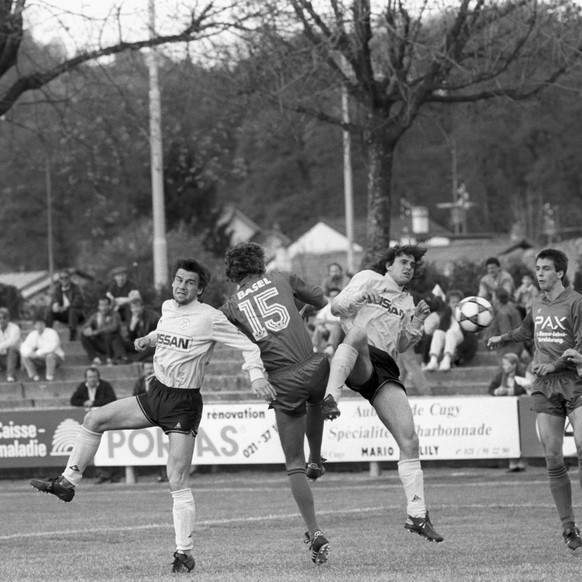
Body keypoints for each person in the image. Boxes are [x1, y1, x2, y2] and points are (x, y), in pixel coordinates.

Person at [30, 257, 274, 574]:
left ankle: (184, 554)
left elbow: (248, 346)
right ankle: (67, 482)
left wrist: (256, 376)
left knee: (176, 480)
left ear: (200, 289)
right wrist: (150, 338)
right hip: (155, 393)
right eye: (178, 279)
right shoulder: (168, 307)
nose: (181, 286)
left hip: (183, 403)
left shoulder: (210, 318)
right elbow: (165, 330)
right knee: (94, 419)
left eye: (189, 282)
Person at [320, 244, 443, 543]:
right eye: (403, 262)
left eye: (413, 264)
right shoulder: (368, 279)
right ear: (388, 265)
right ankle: (330, 398)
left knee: (410, 441)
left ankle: (417, 514)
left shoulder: (407, 300)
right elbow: (337, 307)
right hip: (360, 356)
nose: (409, 267)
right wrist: (362, 297)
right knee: (359, 333)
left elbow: (401, 344)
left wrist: (417, 322)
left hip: (386, 369)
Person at [220, 242, 330, 565]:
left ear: (232, 274)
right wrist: (298, 309)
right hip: (315, 366)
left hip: (283, 380)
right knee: (314, 401)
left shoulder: (230, 307)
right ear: (261, 264)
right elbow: (322, 299)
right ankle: (318, 458)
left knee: (292, 462)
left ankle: (314, 531)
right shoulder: (281, 278)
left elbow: (240, 337)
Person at [487, 248, 582, 553]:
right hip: (545, 386)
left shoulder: (577, 303)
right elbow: (528, 329)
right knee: (552, 455)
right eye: (538, 268)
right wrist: (504, 338)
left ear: (560, 273)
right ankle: (568, 526)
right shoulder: (537, 302)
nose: (539, 273)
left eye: (545, 269)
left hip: (575, 383)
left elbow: (579, 351)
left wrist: (556, 365)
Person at [70, 367, 119, 484]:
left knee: (106, 446)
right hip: (90, 423)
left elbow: (112, 399)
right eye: (90, 377)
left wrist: (94, 403)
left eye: (94, 377)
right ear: (86, 378)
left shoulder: (105, 386)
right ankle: (102, 474)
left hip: (105, 420)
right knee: (93, 446)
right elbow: (73, 400)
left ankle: (111, 474)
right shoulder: (83, 387)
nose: (92, 379)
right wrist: (84, 402)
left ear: (98, 377)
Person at [487, 352, 531, 472]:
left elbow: (527, 389)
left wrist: (513, 391)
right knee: (510, 433)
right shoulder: (500, 377)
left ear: (514, 365)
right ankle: (512, 461)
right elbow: (490, 389)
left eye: (506, 364)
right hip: (506, 411)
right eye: (503, 364)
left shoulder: (522, 376)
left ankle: (522, 460)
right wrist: (497, 391)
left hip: (520, 408)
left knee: (522, 433)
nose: (504, 367)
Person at [422, 291, 466, 372]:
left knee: (450, 332)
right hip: (448, 338)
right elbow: (440, 329)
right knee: (438, 332)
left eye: (457, 302)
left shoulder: (465, 313)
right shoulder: (446, 314)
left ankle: (446, 360)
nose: (455, 304)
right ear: (448, 304)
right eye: (453, 302)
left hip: (459, 336)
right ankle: (433, 360)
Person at [80, 296, 127, 366]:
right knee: (84, 336)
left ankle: (109, 358)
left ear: (109, 305)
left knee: (110, 334)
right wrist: (86, 330)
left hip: (111, 343)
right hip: (99, 343)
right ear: (98, 307)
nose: (104, 307)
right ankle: (95, 359)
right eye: (101, 305)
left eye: (106, 305)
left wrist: (97, 331)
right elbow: (85, 326)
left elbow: (114, 327)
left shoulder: (115, 314)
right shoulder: (95, 315)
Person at [20, 317, 64, 382]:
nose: (39, 326)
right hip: (40, 359)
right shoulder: (33, 334)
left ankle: (49, 377)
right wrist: (30, 353)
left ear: (44, 325)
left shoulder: (52, 332)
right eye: (37, 324)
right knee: (25, 357)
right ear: (34, 326)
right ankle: (34, 377)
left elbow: (52, 346)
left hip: (56, 358)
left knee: (50, 355)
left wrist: (37, 353)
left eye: (41, 324)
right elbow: (25, 346)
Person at [46, 269, 85, 341]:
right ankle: (47, 333)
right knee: (50, 312)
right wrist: (55, 305)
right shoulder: (58, 289)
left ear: (70, 278)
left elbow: (78, 302)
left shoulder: (76, 288)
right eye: (61, 278)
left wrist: (66, 308)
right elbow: (54, 299)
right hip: (63, 314)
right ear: (59, 279)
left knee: (72, 311)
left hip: (76, 315)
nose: (64, 280)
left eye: (66, 277)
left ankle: (73, 334)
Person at [487, 287, 524, 361]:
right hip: (518, 346)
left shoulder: (502, 313)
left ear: (498, 299)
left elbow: (505, 333)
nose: (492, 299)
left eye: (493, 297)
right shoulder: (513, 309)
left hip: (508, 350)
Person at [121, 296, 160, 362]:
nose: (135, 310)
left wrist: (145, 341)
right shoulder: (131, 317)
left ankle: (132, 359)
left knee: (152, 348)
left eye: (137, 307)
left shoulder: (152, 316)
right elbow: (131, 338)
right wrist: (132, 326)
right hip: (137, 343)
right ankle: (123, 357)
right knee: (120, 342)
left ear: (142, 307)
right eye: (133, 308)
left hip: (149, 342)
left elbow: (155, 336)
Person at [311, 287, 344, 357]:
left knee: (336, 327)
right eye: (332, 296)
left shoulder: (344, 307)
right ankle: (314, 348)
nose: (333, 298)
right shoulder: (328, 307)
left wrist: (326, 321)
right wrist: (323, 325)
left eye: (335, 296)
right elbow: (317, 321)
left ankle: (330, 347)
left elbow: (343, 323)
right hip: (328, 330)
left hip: (340, 331)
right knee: (319, 327)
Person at [0, 307, 21, 382]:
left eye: (4, 318)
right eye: (0, 318)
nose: (2, 320)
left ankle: (10, 376)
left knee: (11, 348)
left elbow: (12, 342)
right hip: (2, 359)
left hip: (15, 359)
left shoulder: (15, 328)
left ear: (8, 318)